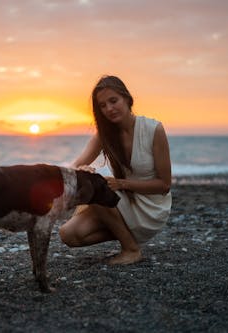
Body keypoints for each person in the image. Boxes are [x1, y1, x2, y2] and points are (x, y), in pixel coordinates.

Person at [59, 75, 172, 265]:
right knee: (69, 235)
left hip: (151, 209)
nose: (109, 109)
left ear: (127, 99)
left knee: (93, 186)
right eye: (102, 106)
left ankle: (131, 249)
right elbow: (74, 167)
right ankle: (126, 233)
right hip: (124, 202)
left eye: (113, 101)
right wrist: (82, 170)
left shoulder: (154, 130)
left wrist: (121, 184)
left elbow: (164, 185)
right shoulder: (104, 135)